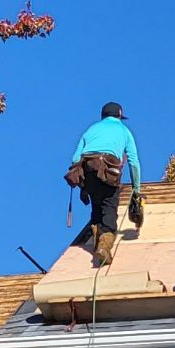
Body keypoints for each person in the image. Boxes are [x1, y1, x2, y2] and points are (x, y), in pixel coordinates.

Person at [66, 102, 144, 268]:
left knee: (97, 208)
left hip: (88, 170)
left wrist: (83, 182)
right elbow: (134, 162)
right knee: (109, 208)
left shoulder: (91, 129)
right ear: (119, 116)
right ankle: (103, 247)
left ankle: (97, 242)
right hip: (109, 172)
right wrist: (136, 190)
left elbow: (75, 159)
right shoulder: (124, 130)